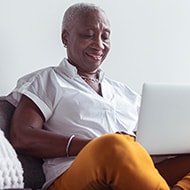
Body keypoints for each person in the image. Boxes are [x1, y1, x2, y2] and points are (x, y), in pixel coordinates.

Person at [6, 2, 190, 190]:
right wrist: (95, 144)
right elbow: (22, 136)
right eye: (88, 35)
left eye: (105, 37)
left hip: (137, 173)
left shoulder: (125, 93)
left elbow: (148, 140)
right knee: (114, 145)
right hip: (74, 176)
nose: (99, 45)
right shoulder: (47, 80)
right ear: (65, 38)